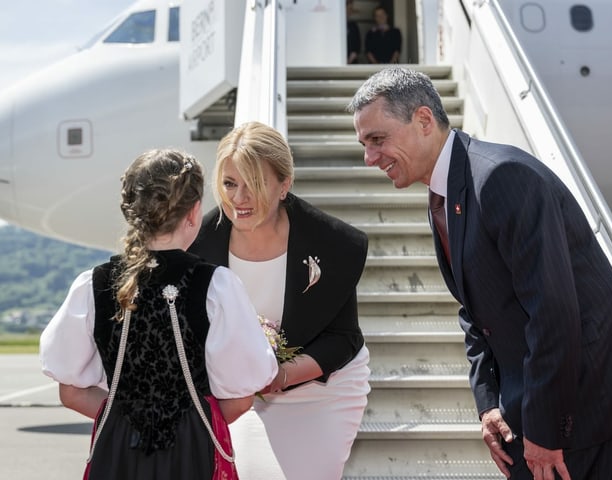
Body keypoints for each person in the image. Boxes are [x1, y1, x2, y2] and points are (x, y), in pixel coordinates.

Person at [347, 66, 612, 479]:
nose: (369, 157)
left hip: (584, 394)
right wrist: (488, 402)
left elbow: (552, 310)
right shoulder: (446, 193)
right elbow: (474, 309)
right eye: (364, 144)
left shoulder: (500, 177)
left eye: (378, 139)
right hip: (538, 390)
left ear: (424, 121)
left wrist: (543, 429)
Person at [39, 149, 279, 480]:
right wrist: (186, 422)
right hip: (191, 451)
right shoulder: (216, 286)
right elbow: (239, 400)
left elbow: (72, 392)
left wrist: (128, 418)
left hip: (118, 450)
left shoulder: (93, 285)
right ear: (194, 212)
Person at [188, 121, 371, 480]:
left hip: (324, 390)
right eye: (229, 184)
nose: (238, 198)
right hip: (241, 396)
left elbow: (344, 339)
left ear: (284, 185)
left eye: (254, 184)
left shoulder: (334, 243)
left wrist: (279, 375)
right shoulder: (197, 247)